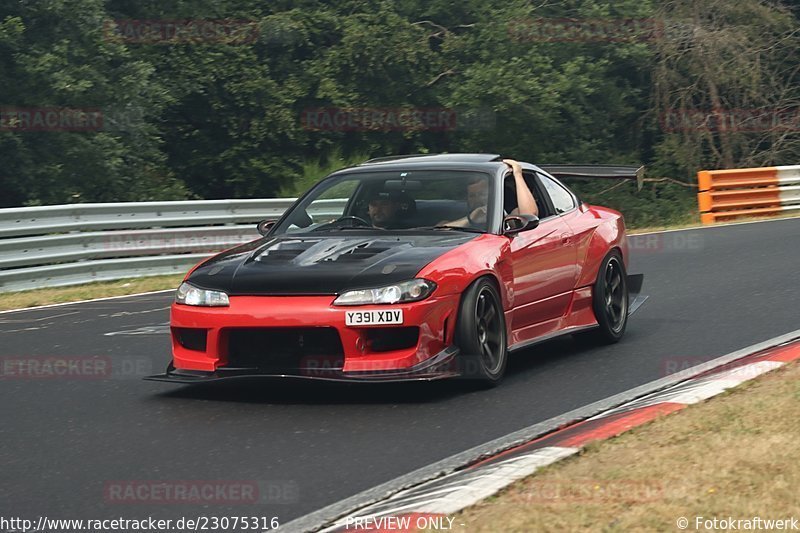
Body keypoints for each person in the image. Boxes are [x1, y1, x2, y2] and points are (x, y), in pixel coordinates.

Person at [444, 159, 538, 227]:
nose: (477, 199)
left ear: (492, 195)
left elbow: (529, 214)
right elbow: (444, 228)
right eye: (472, 195)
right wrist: (471, 218)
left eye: (482, 194)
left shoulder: (504, 211)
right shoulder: (455, 213)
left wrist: (517, 175)